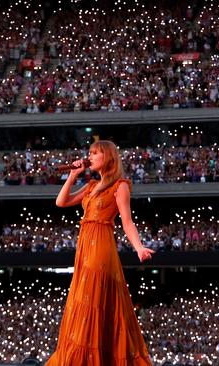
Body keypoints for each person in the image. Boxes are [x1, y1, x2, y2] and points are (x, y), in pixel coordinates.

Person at [47, 140, 155, 365]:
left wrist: (138, 247)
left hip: (101, 245)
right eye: (90, 153)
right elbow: (61, 202)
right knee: (84, 298)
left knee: (93, 298)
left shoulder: (120, 185)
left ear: (108, 157)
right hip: (85, 246)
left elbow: (127, 221)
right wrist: (73, 175)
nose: (90, 157)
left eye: (95, 153)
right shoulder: (89, 186)